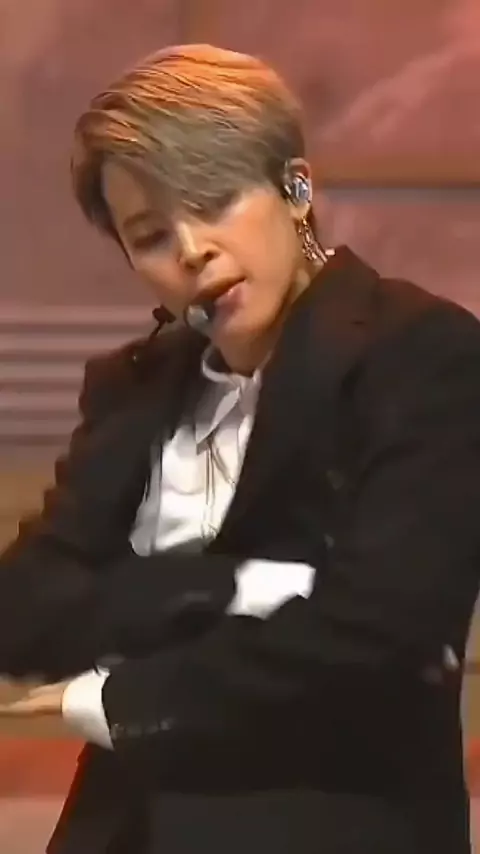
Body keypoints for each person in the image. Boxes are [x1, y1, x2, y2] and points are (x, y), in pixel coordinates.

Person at [0, 43, 479, 854]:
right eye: (151, 235)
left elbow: (380, 634)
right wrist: (235, 586)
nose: (191, 250)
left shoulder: (421, 354)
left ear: (295, 188)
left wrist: (119, 700)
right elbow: (25, 609)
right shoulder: (135, 386)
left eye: (214, 202)